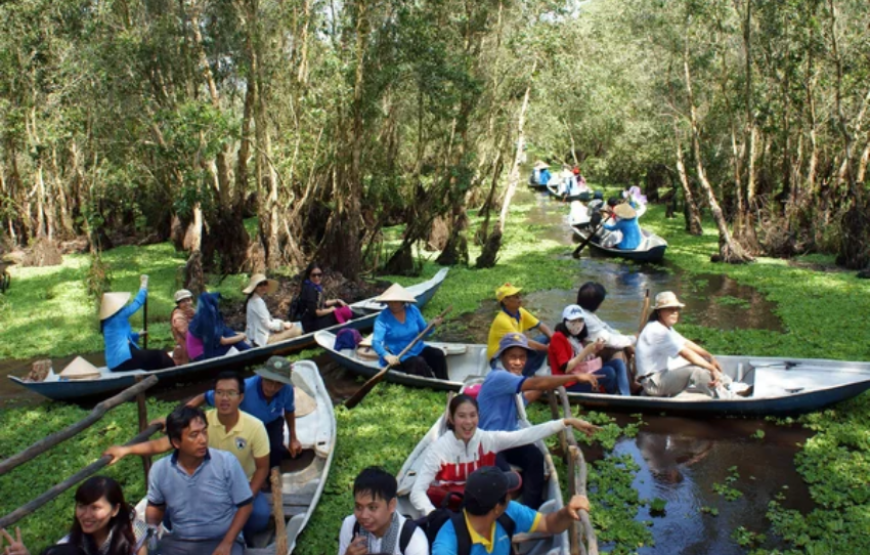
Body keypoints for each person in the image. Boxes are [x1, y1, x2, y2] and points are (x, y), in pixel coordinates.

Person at [104, 372, 271, 539]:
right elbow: (163, 443)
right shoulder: (201, 422)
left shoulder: (255, 427)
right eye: (219, 392)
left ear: (241, 397)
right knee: (172, 517)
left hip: (242, 484)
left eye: (231, 393)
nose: (224, 398)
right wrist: (125, 450)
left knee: (258, 516)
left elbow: (262, 468)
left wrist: (246, 496)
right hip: (206, 483)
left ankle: (240, 539)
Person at [409, 394, 597, 515]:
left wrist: (566, 422)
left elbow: (526, 435)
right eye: (462, 416)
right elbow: (417, 492)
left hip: (482, 508)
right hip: (451, 511)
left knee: (513, 514)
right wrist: (433, 515)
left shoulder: (489, 440)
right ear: (451, 418)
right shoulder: (439, 449)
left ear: (479, 416)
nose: (468, 422)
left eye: (472, 415)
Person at [477, 333, 599, 509]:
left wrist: (550, 384)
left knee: (535, 457)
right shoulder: (499, 377)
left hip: (508, 440)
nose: (518, 362)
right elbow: (536, 384)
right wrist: (575, 377)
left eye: (522, 357)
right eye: (512, 357)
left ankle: (530, 508)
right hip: (488, 444)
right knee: (503, 478)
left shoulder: (512, 383)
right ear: (502, 357)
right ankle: (502, 515)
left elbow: (527, 397)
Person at [144, 406, 252, 555]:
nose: (203, 440)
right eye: (194, 435)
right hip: (180, 541)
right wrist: (152, 528)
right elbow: (155, 506)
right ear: (176, 442)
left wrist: (227, 543)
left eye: (204, 431)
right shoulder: (160, 470)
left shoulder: (226, 462)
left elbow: (245, 506)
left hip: (222, 539)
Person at [431, 466, 591, 555]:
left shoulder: (510, 511)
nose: (511, 496)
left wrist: (566, 512)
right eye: (507, 494)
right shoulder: (447, 543)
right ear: (496, 507)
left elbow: (549, 524)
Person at [186, 356, 302, 471]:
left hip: (272, 422)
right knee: (244, 453)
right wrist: (183, 413)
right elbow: (204, 397)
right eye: (269, 381)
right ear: (262, 376)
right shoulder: (245, 388)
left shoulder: (287, 390)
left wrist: (293, 438)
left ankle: (273, 471)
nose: (272, 388)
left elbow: (289, 410)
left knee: (275, 450)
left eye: (278, 384)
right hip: (246, 425)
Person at [1, 476, 146, 555]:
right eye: (81, 506)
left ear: (115, 509)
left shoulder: (134, 533)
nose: (86, 515)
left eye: (95, 508)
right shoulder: (71, 544)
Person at [636, 291, 731, 398]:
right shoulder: (657, 331)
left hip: (661, 376)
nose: (674, 312)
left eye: (676, 309)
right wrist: (711, 368)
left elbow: (686, 343)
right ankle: (722, 397)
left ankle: (728, 386)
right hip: (652, 383)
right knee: (696, 372)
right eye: (670, 309)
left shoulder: (666, 328)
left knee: (705, 361)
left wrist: (709, 356)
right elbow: (685, 353)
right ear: (659, 312)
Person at [338, 467, 428, 555]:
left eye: (372, 507)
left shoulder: (412, 539)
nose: (364, 515)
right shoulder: (351, 525)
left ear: (391, 505)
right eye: (358, 507)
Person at [548, 305, 630, 396]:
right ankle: (611, 394)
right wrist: (586, 350)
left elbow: (582, 360)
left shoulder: (576, 338)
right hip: (568, 383)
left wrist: (595, 349)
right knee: (609, 372)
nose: (577, 324)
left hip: (581, 373)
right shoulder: (558, 337)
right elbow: (566, 368)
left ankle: (625, 395)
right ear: (565, 321)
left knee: (618, 363)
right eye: (573, 321)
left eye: (580, 320)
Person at [372, 283, 447, 380]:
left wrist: (432, 325)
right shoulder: (382, 319)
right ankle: (434, 384)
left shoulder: (413, 310)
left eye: (396, 301)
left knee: (438, 354)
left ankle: (445, 382)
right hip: (399, 354)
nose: (393, 304)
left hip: (417, 347)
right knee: (418, 362)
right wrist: (387, 356)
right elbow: (376, 342)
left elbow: (425, 330)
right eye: (390, 301)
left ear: (403, 301)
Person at [101, 274, 174, 372]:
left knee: (152, 357)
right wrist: (144, 284)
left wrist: (137, 335)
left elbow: (124, 337)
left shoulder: (107, 322)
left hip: (115, 362)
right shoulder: (118, 316)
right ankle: (175, 373)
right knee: (159, 354)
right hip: (122, 360)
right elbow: (138, 303)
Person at [485, 283, 552, 377]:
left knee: (545, 338)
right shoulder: (502, 320)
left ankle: (529, 371)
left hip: (516, 347)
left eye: (519, 296)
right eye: (516, 297)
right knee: (538, 349)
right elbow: (525, 341)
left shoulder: (520, 311)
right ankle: (525, 375)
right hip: (500, 357)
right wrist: (549, 349)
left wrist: (555, 339)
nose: (519, 299)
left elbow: (540, 325)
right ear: (505, 301)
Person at [187, 292, 250, 362]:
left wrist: (239, 334)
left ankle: (252, 354)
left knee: (231, 335)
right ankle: (254, 356)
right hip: (201, 355)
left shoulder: (203, 315)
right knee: (235, 341)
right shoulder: (205, 320)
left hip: (206, 349)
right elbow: (223, 341)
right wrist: (241, 336)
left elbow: (222, 332)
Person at [244, 273, 301, 346]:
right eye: (260, 285)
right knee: (297, 330)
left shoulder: (253, 300)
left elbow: (268, 320)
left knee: (292, 325)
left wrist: (282, 323)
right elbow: (268, 324)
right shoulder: (257, 302)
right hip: (261, 340)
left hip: (258, 336)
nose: (263, 286)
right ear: (255, 287)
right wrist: (283, 326)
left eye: (265, 284)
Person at [298, 263, 353, 333]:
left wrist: (337, 300)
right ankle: (347, 326)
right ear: (309, 276)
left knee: (338, 305)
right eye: (314, 275)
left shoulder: (315, 287)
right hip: (311, 325)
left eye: (319, 275)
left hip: (315, 320)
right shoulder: (310, 290)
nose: (316, 277)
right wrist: (331, 310)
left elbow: (322, 303)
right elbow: (316, 312)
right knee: (336, 312)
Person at [170, 289, 195, 365]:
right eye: (183, 301)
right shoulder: (178, 317)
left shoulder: (192, 312)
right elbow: (186, 334)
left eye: (188, 300)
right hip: (184, 351)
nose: (187, 303)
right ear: (178, 304)